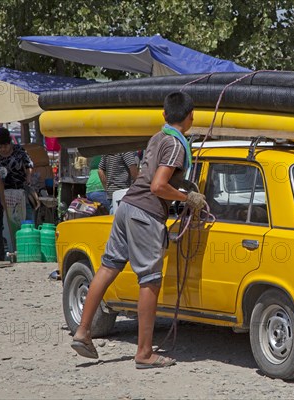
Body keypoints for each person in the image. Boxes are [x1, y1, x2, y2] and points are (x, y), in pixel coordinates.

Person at [71, 91, 207, 369]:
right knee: (150, 280)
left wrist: (179, 190)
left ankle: (83, 332)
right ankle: (144, 353)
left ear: (164, 115)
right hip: (146, 214)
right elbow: (158, 186)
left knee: (108, 268)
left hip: (126, 207)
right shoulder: (177, 145)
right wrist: (188, 198)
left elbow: (152, 178)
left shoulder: (157, 137)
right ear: (191, 117)